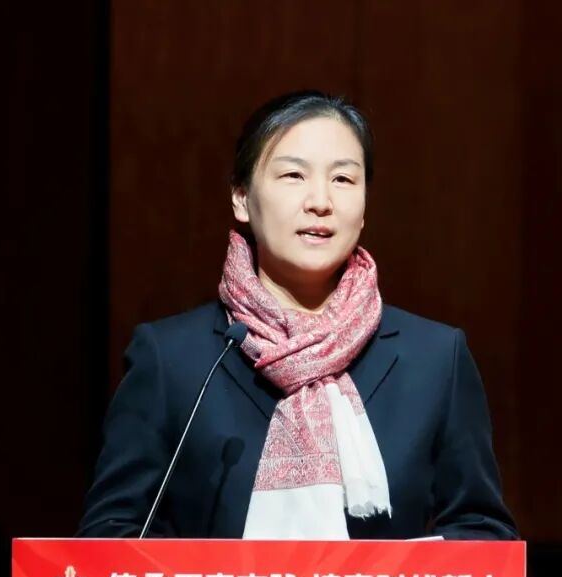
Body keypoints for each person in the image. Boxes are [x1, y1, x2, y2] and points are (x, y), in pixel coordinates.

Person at [77, 90, 519, 541]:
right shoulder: (173, 359)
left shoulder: (435, 359)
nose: (320, 201)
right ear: (241, 198)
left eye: (343, 179)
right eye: (293, 175)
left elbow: (483, 533)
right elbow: (112, 534)